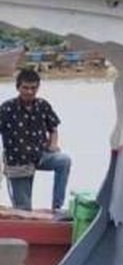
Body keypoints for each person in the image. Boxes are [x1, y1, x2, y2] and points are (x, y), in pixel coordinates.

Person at [0, 69, 72, 216]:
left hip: (40, 155)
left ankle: (57, 207)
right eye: (25, 88)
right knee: (23, 210)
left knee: (64, 161)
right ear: (18, 87)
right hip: (18, 162)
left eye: (33, 88)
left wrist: (53, 144)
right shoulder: (6, 108)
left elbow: (53, 128)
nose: (29, 92)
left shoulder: (42, 105)